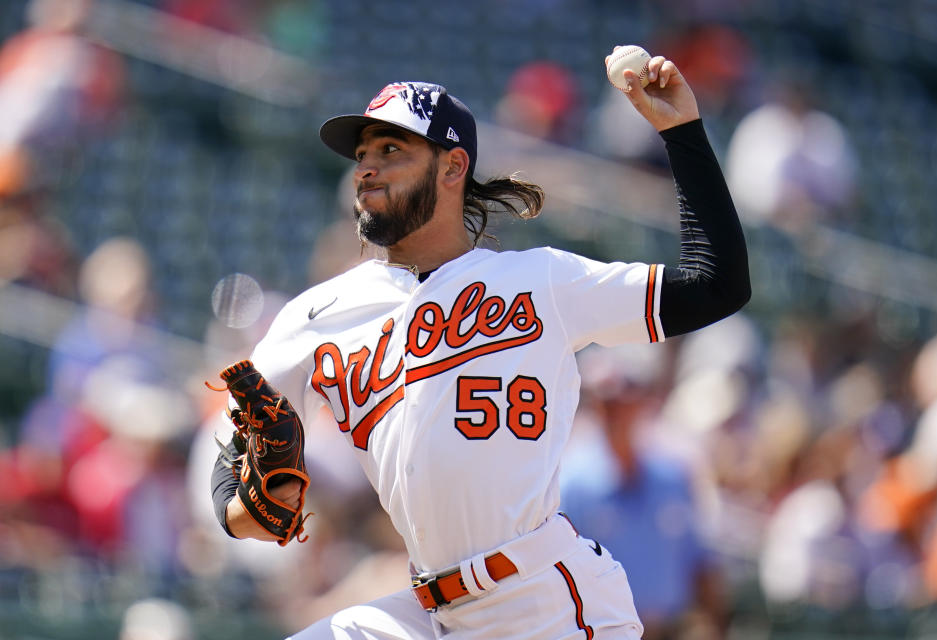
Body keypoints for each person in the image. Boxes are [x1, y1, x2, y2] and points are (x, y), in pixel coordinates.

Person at [210, 49, 751, 639]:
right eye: (362, 154)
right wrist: (247, 511)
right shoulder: (315, 316)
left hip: (544, 602)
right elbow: (234, 454)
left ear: (452, 166)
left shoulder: (540, 280)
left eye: (392, 150)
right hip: (429, 611)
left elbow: (716, 283)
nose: (367, 167)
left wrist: (682, 131)